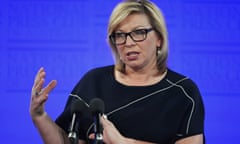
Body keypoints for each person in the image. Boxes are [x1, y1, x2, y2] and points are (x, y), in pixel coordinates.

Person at [29, 0, 205, 144]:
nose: (128, 43)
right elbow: (69, 141)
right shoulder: (93, 81)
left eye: (138, 32)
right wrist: (39, 116)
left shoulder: (183, 93)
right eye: (120, 35)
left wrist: (124, 143)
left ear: (159, 38)